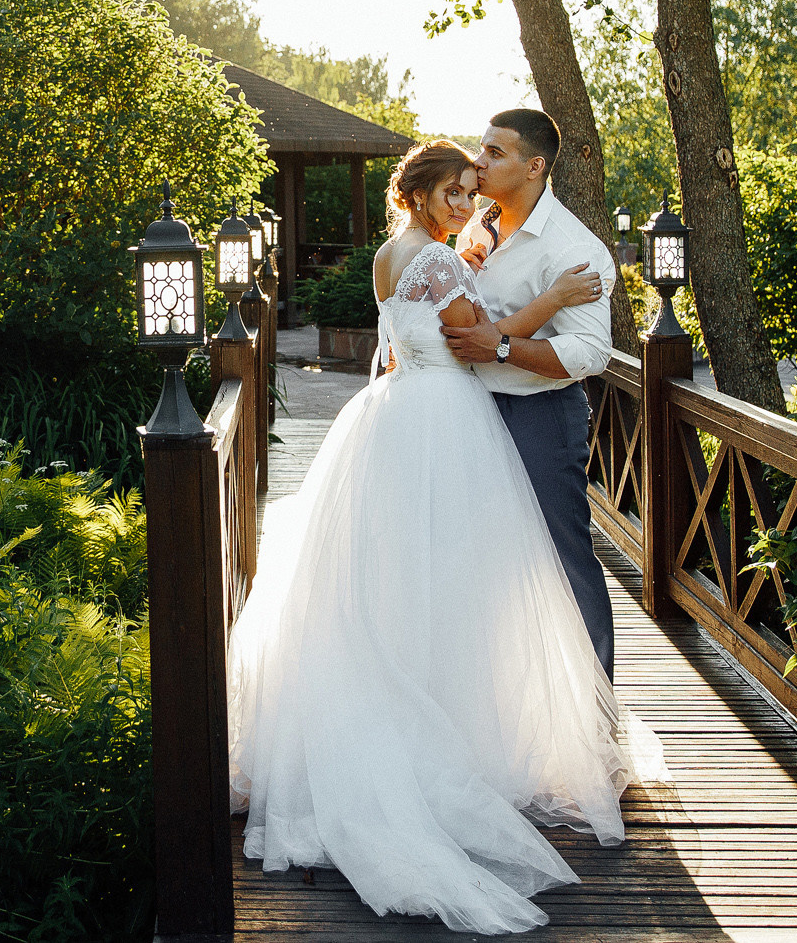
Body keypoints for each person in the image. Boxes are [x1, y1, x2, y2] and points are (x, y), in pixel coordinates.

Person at [227, 139, 663, 935]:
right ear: (423, 193)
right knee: (458, 574)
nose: (468, 204)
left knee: (405, 576)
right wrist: (556, 294)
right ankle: (444, 734)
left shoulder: (392, 256)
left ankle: (430, 705)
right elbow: (478, 336)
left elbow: (411, 335)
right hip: (442, 421)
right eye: (456, 191)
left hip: (395, 419)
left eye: (473, 190)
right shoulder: (438, 260)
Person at [442, 109, 619, 677]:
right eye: (481, 147)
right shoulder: (476, 224)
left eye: (496, 152)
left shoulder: (574, 249)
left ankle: (597, 712)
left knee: (562, 557)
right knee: (476, 558)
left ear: (535, 166)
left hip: (538, 415)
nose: (480, 160)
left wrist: (499, 349)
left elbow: (587, 355)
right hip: (467, 410)